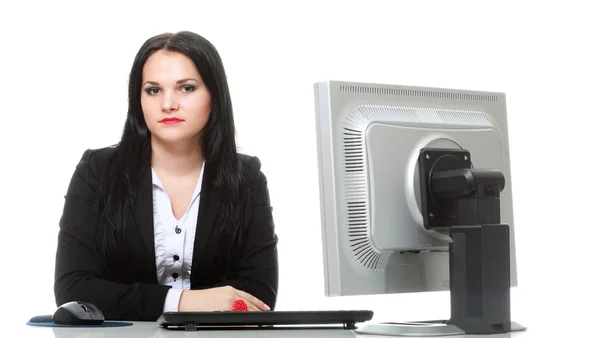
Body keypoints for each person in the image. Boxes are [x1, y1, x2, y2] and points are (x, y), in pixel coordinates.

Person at [53, 31, 279, 321]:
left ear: (214, 96)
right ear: (139, 99)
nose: (168, 104)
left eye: (186, 88)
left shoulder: (245, 177)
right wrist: (184, 301)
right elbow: (73, 290)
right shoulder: (97, 171)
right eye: (153, 90)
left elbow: (258, 296)